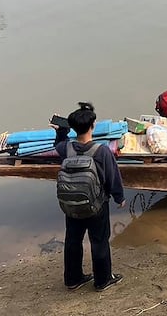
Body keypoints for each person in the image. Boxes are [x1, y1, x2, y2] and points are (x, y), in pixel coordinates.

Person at [55, 102, 125, 292]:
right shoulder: (101, 151)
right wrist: (119, 197)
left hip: (71, 205)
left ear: (73, 129)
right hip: (97, 205)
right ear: (92, 126)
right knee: (99, 241)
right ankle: (102, 280)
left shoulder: (66, 149)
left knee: (73, 240)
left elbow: (57, 144)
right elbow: (112, 177)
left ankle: (73, 279)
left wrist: (60, 132)